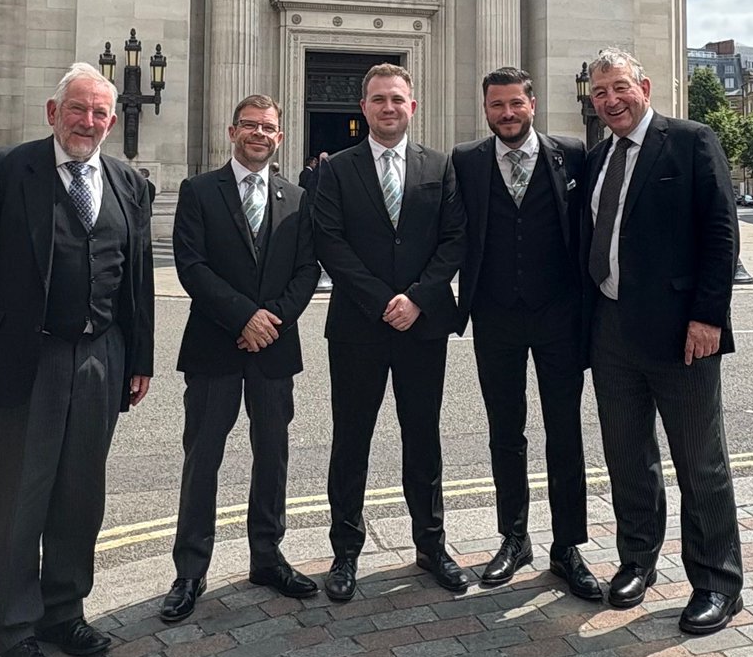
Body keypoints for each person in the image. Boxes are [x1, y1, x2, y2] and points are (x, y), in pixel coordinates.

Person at [0, 63, 155, 657]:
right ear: (52, 112)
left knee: (80, 494)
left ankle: (64, 611)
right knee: (19, 499)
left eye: (99, 113)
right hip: (24, 358)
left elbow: (137, 277)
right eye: (78, 109)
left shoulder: (128, 182)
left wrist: (138, 359)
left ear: (110, 121)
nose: (88, 122)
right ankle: (12, 628)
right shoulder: (11, 168)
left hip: (101, 357)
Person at [578, 47, 742, 635]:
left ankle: (717, 583)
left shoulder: (691, 141)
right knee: (627, 456)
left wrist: (708, 318)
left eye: (620, 88)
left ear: (644, 87)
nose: (611, 101)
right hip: (611, 329)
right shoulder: (598, 158)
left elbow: (721, 232)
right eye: (600, 93)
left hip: (681, 333)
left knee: (700, 461)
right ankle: (637, 562)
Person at [161, 94, 321, 623]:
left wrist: (271, 321)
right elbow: (192, 266)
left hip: (274, 348)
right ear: (232, 132)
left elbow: (307, 270)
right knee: (202, 458)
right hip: (214, 346)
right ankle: (190, 570)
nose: (259, 134)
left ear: (280, 137)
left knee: (272, 455)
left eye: (268, 128)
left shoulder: (297, 198)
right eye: (249, 125)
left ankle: (267, 557)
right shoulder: (199, 191)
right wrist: (243, 318)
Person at [313, 64, 467, 601]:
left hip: (423, 326)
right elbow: (329, 242)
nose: (388, 108)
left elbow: (455, 239)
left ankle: (431, 545)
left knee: (423, 437)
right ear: (364, 108)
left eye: (397, 99)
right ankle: (345, 552)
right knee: (351, 440)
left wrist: (418, 298)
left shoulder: (440, 166)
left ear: (412, 106)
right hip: (358, 326)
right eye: (378, 99)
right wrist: (383, 301)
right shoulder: (337, 169)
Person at [451, 68, 599, 600]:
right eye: (497, 105)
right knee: (505, 432)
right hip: (495, 317)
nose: (507, 114)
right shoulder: (466, 160)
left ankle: (567, 547)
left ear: (532, 104)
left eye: (515, 103)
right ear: (485, 110)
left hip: (560, 315)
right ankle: (514, 538)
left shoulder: (572, 153)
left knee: (565, 431)